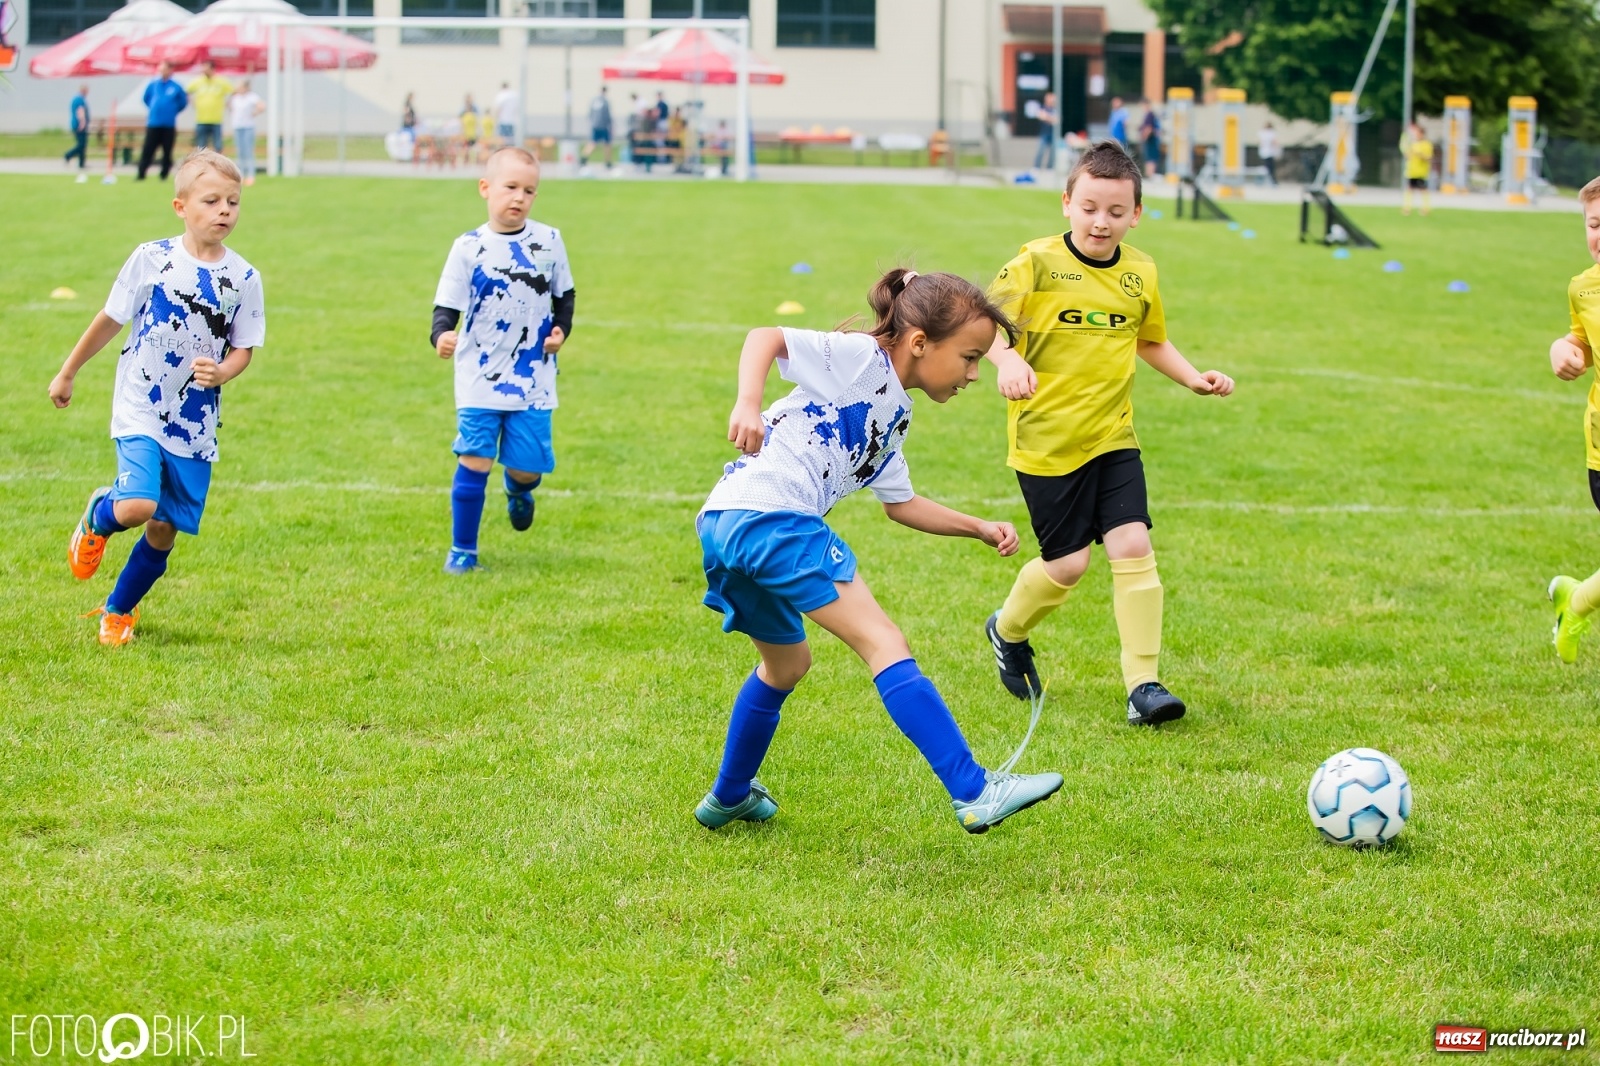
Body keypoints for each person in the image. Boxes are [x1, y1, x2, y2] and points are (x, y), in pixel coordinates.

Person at [692, 269, 1065, 833]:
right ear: (919, 343)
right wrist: (748, 403)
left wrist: (978, 527)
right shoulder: (863, 360)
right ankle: (974, 788)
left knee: (786, 664)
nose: (972, 374)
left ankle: (729, 795)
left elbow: (901, 502)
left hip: (726, 523)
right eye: (968, 358)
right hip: (772, 517)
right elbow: (764, 338)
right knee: (884, 642)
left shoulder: (895, 413)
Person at [981, 142, 1235, 726]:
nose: (1102, 221)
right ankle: (1008, 628)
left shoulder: (1139, 271)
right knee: (1067, 567)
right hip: (1045, 442)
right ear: (1067, 203)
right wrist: (1007, 361)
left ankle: (1142, 685)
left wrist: (1194, 378)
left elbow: (1150, 340)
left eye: (1116, 211)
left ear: (1136, 214)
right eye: (1090, 207)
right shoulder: (1035, 264)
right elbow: (983, 324)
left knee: (1132, 546)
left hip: (1113, 436)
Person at [49, 150, 265, 646]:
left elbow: (244, 348)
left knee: (164, 529)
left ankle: (118, 610)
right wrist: (68, 372)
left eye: (232, 202)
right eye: (211, 201)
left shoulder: (244, 278)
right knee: (138, 505)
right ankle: (98, 516)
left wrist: (222, 372)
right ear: (180, 206)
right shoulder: (153, 258)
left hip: (194, 423)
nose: (224, 211)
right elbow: (109, 318)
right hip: (141, 404)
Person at [430, 147, 576, 574]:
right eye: (510, 187)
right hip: (478, 375)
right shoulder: (468, 247)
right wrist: (441, 335)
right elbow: (446, 304)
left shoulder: (548, 241)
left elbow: (564, 296)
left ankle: (518, 488)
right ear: (485, 188)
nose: (519, 198)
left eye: (529, 191)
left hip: (533, 378)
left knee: (527, 467)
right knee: (474, 458)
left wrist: (559, 333)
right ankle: (463, 550)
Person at [1546, 177, 1600, 662]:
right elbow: (1578, 340)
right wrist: (1562, 349)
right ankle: (1576, 602)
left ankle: (1575, 602)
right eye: (1594, 224)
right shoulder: (1583, 289)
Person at [137, 62, 187, 182]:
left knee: (167, 150)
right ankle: (141, 173)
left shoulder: (176, 86)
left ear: (170, 70)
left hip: (168, 124)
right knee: (148, 149)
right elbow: (146, 98)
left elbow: (183, 102)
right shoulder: (153, 84)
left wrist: (173, 110)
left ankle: (164, 174)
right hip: (154, 123)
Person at [187, 60, 233, 152]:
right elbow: (187, 91)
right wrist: (192, 102)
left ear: (212, 69)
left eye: (206, 68)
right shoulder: (198, 81)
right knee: (201, 147)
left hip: (216, 119)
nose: (204, 70)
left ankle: (218, 166)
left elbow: (233, 91)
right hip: (201, 119)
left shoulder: (221, 81)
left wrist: (229, 103)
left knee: (218, 145)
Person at [228, 79, 264, 185]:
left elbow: (261, 106)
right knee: (240, 151)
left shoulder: (251, 97)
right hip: (237, 126)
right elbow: (229, 106)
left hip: (248, 127)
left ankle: (251, 174)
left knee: (249, 151)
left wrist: (254, 113)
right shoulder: (235, 98)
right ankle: (241, 174)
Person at [1402, 122, 1434, 215]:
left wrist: (1420, 154)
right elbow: (1408, 155)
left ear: (1422, 133)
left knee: (1423, 190)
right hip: (1412, 171)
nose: (1415, 135)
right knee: (1409, 189)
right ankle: (1407, 208)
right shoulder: (1413, 144)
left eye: (1417, 133)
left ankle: (1425, 209)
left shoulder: (1426, 144)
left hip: (1421, 172)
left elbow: (1429, 157)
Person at [64, 84, 90, 174]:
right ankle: (68, 155)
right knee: (81, 144)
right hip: (79, 125)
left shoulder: (76, 99)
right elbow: (80, 111)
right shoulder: (79, 100)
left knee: (82, 145)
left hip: (76, 124)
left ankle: (81, 163)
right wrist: (82, 123)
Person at [585, 86, 613, 167]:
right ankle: (608, 162)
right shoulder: (605, 101)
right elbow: (607, 115)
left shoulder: (593, 100)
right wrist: (610, 124)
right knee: (607, 144)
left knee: (592, 142)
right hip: (603, 126)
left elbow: (590, 114)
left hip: (594, 125)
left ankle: (584, 157)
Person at [1033, 91, 1058, 171]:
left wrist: (1047, 117)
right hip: (1044, 133)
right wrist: (1050, 118)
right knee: (1041, 150)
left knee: (1052, 152)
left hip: (1053, 133)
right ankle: (1036, 167)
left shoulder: (1055, 109)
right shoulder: (1042, 107)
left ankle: (1049, 167)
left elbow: (1056, 120)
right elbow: (1041, 116)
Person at [1138, 98, 1161, 177]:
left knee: (1150, 157)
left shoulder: (1149, 115)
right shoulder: (1148, 115)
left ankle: (1150, 174)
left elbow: (1149, 128)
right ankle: (1149, 174)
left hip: (1150, 139)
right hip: (1150, 139)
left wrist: (1144, 137)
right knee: (1149, 157)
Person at [459, 94, 480, 165]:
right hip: (472, 135)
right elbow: (476, 126)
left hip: (466, 135)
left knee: (465, 149)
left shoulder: (464, 116)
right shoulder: (474, 116)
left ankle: (465, 161)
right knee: (472, 149)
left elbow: (462, 126)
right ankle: (473, 161)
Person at [1258, 121, 1280, 185]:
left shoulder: (1263, 133)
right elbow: (1274, 142)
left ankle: (1267, 180)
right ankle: (1271, 180)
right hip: (1268, 152)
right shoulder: (1270, 133)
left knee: (1267, 167)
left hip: (1265, 153)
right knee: (1269, 167)